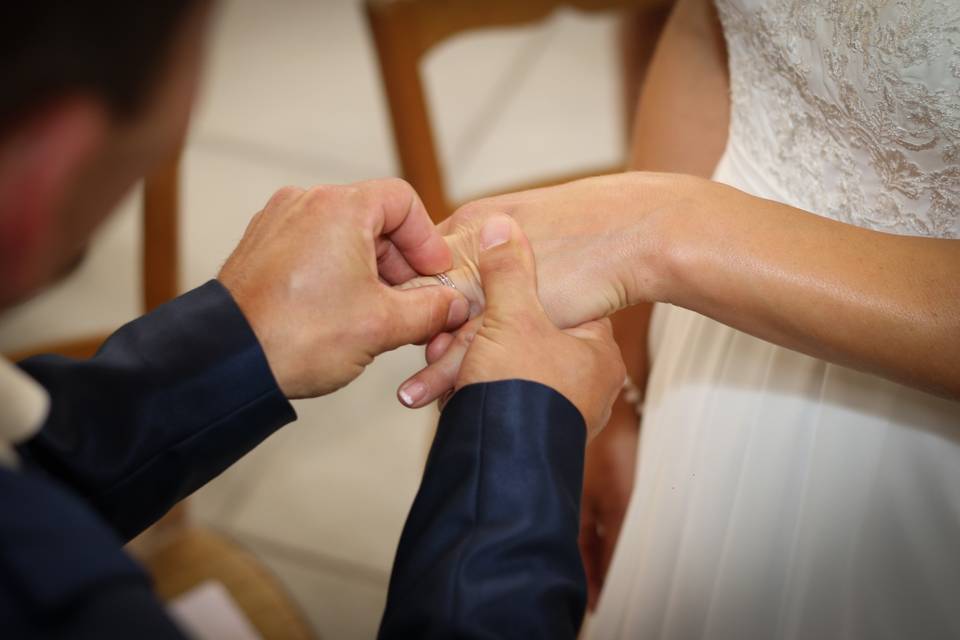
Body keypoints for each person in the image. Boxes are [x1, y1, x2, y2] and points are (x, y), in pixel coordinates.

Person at [0, 2, 625, 637]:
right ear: (51, 165)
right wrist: (520, 435)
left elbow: (31, 466)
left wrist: (238, 338)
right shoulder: (66, 600)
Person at [395, 0, 960, 637]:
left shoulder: (666, 241)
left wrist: (658, 231)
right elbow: (709, 23)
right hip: (706, 339)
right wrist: (625, 376)